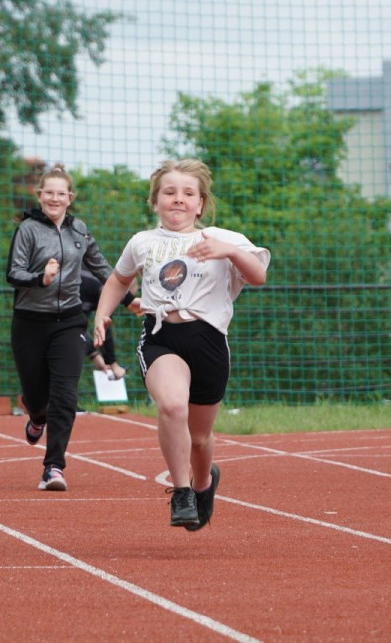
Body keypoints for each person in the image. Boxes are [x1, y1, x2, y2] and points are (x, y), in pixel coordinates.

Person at [94, 158, 269, 530]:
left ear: (200, 204)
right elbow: (118, 280)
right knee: (172, 406)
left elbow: (258, 276)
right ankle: (182, 491)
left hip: (208, 341)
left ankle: (204, 482)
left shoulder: (223, 239)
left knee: (201, 437)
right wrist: (102, 314)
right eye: (169, 192)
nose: (178, 200)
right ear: (155, 201)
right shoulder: (142, 242)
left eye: (188, 194)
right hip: (162, 337)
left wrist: (231, 252)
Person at [6, 164, 113, 491]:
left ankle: (54, 467)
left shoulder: (79, 230)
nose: (54, 198)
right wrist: (42, 278)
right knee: (38, 399)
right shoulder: (27, 229)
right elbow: (13, 273)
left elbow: (103, 268)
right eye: (48, 193)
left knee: (65, 395)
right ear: (40, 196)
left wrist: (130, 299)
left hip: (68, 321)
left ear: (70, 198)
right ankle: (36, 417)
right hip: (29, 324)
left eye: (60, 193)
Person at [79, 267, 141, 380]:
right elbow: (104, 330)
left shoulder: (94, 279)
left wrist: (94, 355)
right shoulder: (104, 290)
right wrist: (113, 365)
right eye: (123, 301)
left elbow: (77, 328)